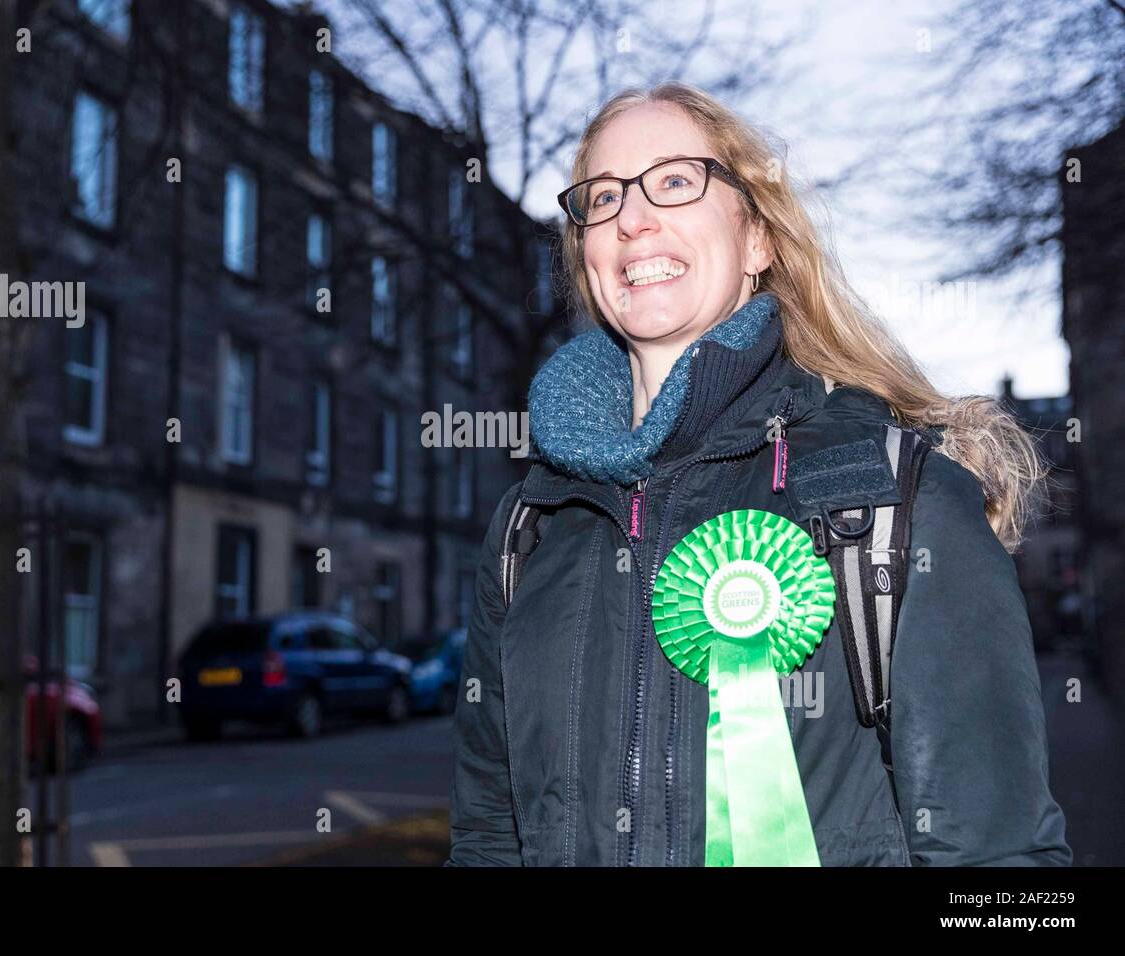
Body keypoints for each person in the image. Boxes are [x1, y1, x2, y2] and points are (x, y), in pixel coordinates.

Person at [445, 82, 1072, 866]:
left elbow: (1000, 867)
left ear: (758, 242)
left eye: (676, 181)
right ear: (587, 257)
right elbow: (488, 840)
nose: (633, 217)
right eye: (602, 198)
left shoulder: (894, 500)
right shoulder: (527, 526)